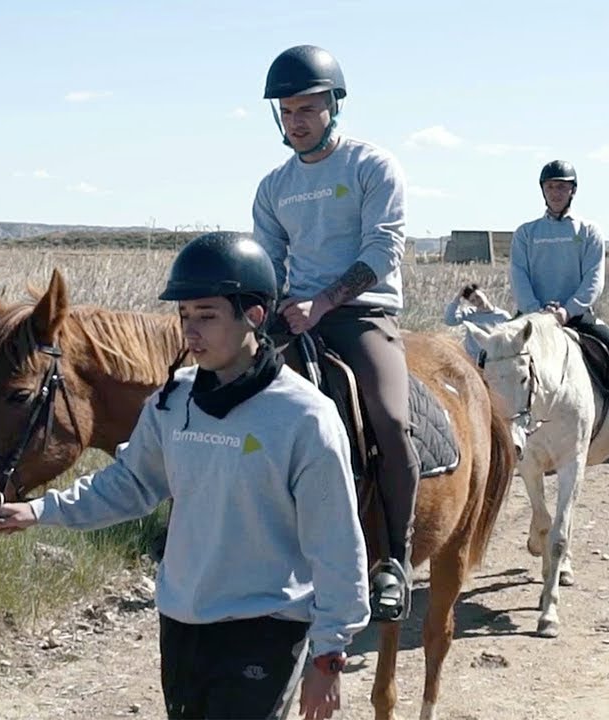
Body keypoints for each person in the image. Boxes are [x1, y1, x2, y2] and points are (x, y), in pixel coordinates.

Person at [0, 233, 370, 720]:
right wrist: (40, 510)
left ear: (254, 315)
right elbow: (130, 484)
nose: (190, 331)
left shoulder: (306, 418)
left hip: (265, 628)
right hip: (182, 623)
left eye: (206, 316)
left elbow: (336, 543)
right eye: (185, 316)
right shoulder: (174, 400)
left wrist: (329, 653)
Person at [252, 44, 417, 622]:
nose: (296, 121)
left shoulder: (372, 167)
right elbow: (270, 264)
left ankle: (396, 559)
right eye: (287, 111)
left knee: (389, 418)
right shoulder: (273, 187)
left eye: (307, 110)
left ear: (333, 107)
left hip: (361, 312)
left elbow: (382, 250)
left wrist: (323, 302)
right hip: (292, 314)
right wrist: (263, 310)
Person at [510, 159, 609, 451]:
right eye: (550, 186)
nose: (556, 192)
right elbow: (519, 277)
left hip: (574, 315)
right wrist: (537, 312)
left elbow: (593, 280)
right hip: (533, 317)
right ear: (542, 191)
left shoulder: (588, 231)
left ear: (573, 190)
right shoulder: (525, 233)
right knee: (493, 356)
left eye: (562, 186)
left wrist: (565, 311)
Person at [443, 283, 510, 362]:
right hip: (473, 362)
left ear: (483, 293)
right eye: (473, 301)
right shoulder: (469, 314)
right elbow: (449, 320)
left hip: (495, 361)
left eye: (478, 297)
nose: (477, 301)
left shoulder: (502, 316)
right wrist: (457, 298)